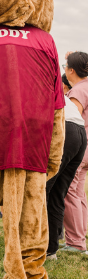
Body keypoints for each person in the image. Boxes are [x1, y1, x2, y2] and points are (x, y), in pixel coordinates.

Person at [45, 74, 88, 260]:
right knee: (57, 192)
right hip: (79, 131)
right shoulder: (52, 89)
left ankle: (33, 246)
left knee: (41, 190)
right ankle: (50, 250)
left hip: (65, 128)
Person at [61, 51, 88, 255]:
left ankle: (76, 242)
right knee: (79, 192)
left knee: (69, 191)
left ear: (71, 70)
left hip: (81, 147)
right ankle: (79, 236)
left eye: (65, 66)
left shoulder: (78, 91)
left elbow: (74, 121)